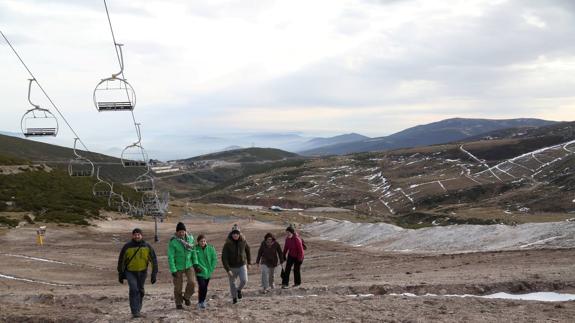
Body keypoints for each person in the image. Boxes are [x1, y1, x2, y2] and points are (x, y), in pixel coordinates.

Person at [117, 228, 158, 319]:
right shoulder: (127, 246)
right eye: (135, 234)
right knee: (134, 289)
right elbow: (121, 261)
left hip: (142, 272)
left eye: (138, 234)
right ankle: (134, 311)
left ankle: (138, 309)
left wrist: (154, 274)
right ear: (132, 236)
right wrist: (120, 273)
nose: (137, 236)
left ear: (141, 235)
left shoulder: (147, 246)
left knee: (140, 290)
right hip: (130, 272)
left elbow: (154, 260)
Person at [168, 222, 200, 309]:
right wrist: (173, 269)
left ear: (185, 231)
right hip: (178, 267)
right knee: (178, 287)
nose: (182, 233)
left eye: (183, 231)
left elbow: (193, 253)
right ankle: (178, 303)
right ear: (177, 232)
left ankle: (186, 297)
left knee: (192, 283)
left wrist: (196, 264)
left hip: (189, 265)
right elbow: (170, 257)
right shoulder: (173, 242)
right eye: (180, 232)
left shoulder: (190, 239)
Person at [221, 224, 251, 304]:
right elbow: (224, 258)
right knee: (232, 283)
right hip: (232, 267)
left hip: (242, 265)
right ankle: (234, 298)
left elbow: (248, 251)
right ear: (231, 234)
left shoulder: (243, 241)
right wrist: (228, 269)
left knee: (244, 280)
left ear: (239, 234)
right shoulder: (227, 244)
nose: (235, 235)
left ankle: (239, 290)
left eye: (237, 233)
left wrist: (249, 263)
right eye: (234, 233)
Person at [195, 234, 218, 309]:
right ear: (198, 242)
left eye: (204, 241)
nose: (203, 242)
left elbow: (214, 259)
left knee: (205, 287)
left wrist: (211, 268)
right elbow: (193, 259)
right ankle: (200, 301)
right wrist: (196, 266)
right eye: (201, 241)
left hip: (208, 272)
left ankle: (203, 301)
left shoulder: (211, 249)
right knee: (202, 286)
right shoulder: (195, 249)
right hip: (200, 272)